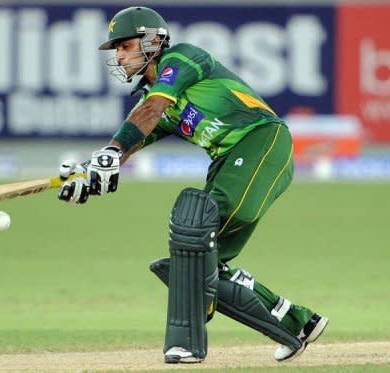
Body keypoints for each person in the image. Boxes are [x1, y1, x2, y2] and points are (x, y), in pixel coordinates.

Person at [57, 6, 328, 364]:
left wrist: (110, 152)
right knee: (202, 254)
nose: (119, 57)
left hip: (261, 142)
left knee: (196, 240)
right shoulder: (153, 101)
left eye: (124, 46)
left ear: (152, 41)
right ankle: (296, 320)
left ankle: (188, 338)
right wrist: (93, 170)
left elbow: (151, 110)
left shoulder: (184, 59)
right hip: (226, 162)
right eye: (117, 51)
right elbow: (135, 136)